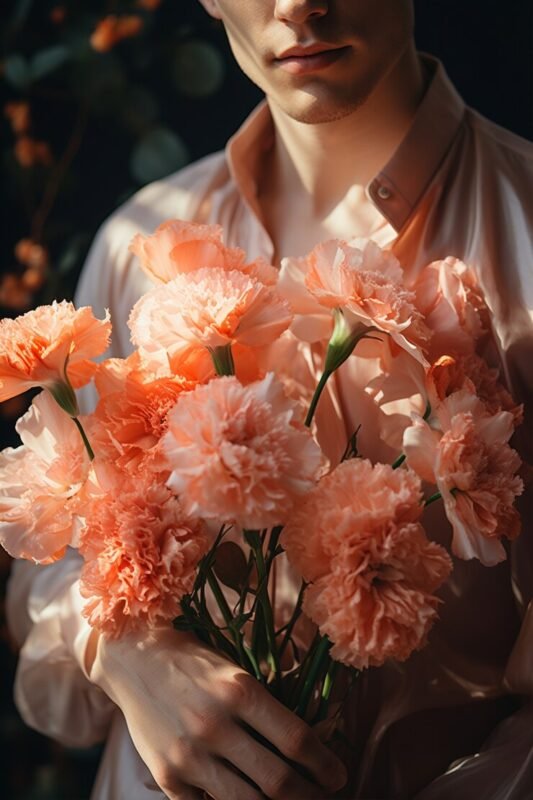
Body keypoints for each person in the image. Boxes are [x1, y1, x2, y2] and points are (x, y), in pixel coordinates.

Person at [6, 1, 533, 798]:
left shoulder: (522, 230)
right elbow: (42, 571)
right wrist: (119, 651)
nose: (296, 5)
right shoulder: (137, 247)